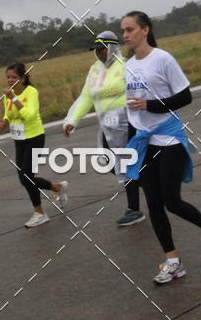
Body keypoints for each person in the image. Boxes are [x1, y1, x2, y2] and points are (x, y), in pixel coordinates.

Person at [120, 11, 201, 285]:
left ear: (145, 30)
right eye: (123, 31)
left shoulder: (163, 59)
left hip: (168, 139)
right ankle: (173, 261)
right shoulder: (128, 65)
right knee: (154, 203)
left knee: (171, 200)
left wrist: (151, 105)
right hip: (144, 141)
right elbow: (133, 109)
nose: (126, 35)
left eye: (130, 29)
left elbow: (185, 96)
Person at [62, 30, 145, 227]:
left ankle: (134, 209)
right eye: (96, 50)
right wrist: (72, 120)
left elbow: (141, 90)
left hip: (130, 123)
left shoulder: (126, 66)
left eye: (102, 49)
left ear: (112, 48)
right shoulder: (95, 70)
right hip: (108, 126)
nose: (99, 53)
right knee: (111, 163)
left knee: (126, 165)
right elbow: (86, 97)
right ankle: (145, 181)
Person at [1, 62, 67, 227]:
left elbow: (29, 115)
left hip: (35, 137)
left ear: (23, 78)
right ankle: (57, 187)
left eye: (14, 77)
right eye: (8, 77)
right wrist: (4, 121)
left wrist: (14, 99)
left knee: (27, 177)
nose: (10, 80)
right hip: (19, 139)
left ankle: (39, 213)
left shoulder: (31, 92)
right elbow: (8, 113)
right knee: (24, 179)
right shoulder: (7, 95)